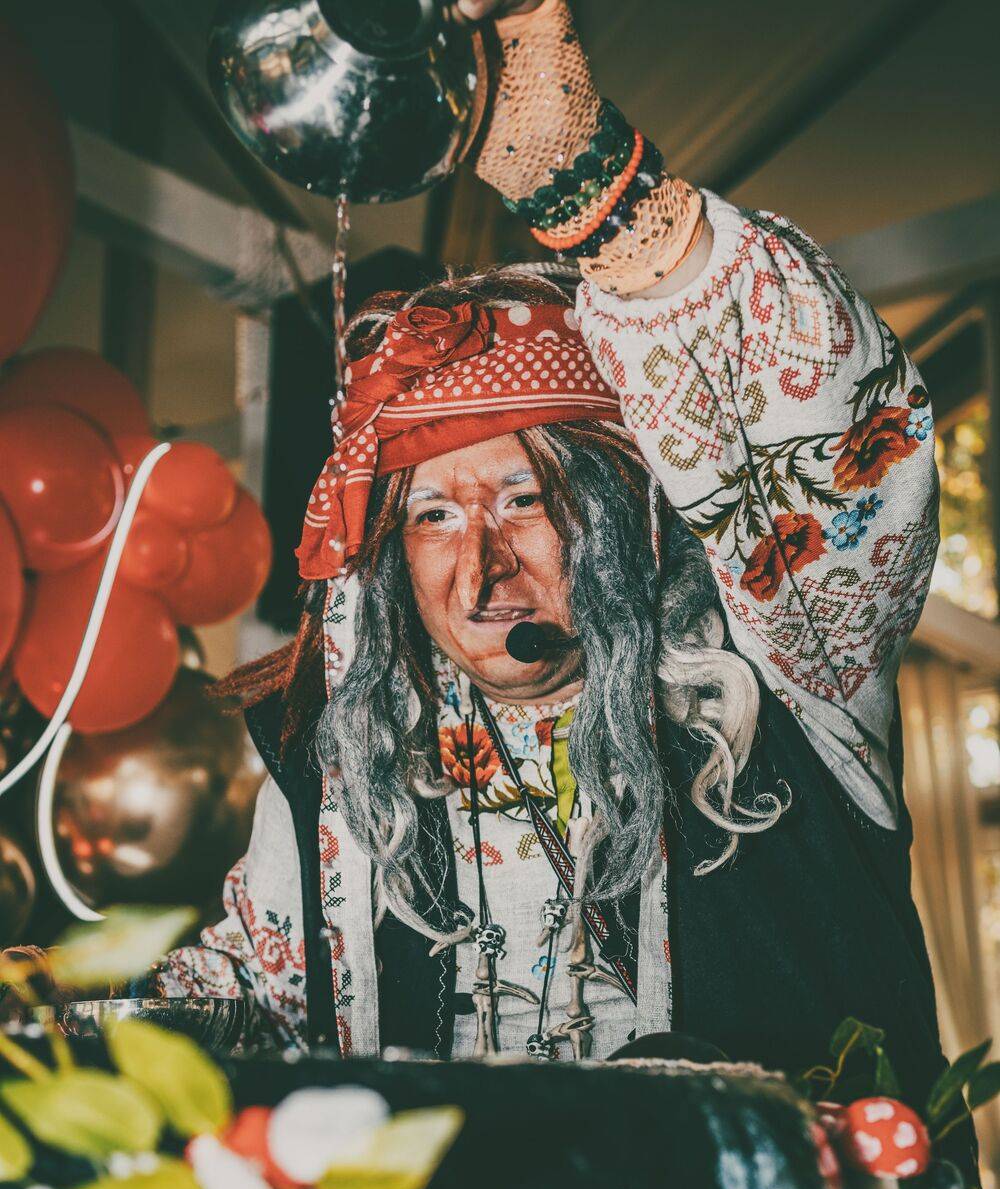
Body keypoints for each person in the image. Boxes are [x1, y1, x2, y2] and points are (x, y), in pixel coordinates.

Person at [152, 0, 950, 1107]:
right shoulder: (340, 761)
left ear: (615, 515)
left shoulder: (786, 673)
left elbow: (848, 452)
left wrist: (595, 185)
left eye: (525, 499)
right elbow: (261, 993)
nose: (479, 570)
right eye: (432, 517)